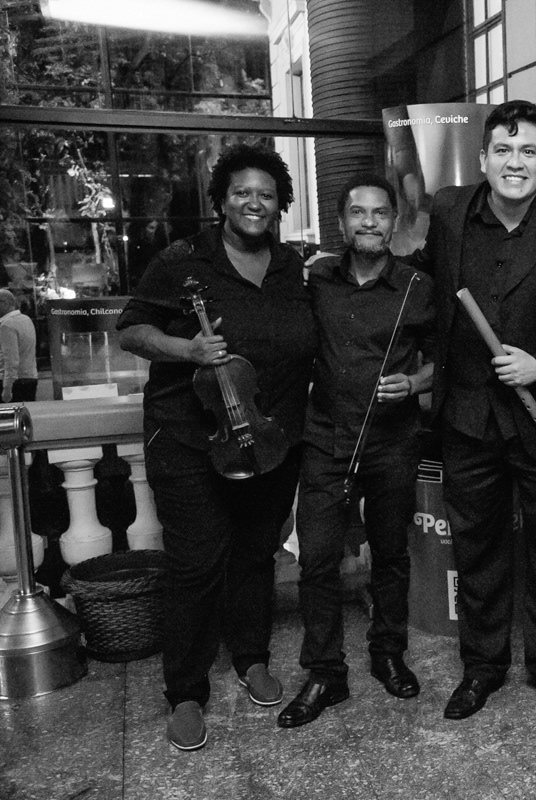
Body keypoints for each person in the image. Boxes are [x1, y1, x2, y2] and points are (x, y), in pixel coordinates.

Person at [117, 144, 317, 751]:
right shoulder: (184, 260)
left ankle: (251, 657)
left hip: (270, 437)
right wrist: (188, 350)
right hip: (190, 439)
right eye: (241, 192)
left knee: (256, 553)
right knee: (196, 563)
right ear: (222, 200)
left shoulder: (292, 266)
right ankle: (185, 691)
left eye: (266, 194)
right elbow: (131, 330)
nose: (254, 202)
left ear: (281, 203)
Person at [408, 100, 536, 722]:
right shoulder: (449, 211)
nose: (516, 162)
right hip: (466, 415)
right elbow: (414, 275)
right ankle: (482, 667)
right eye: (504, 151)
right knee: (477, 549)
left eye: (529, 151)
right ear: (483, 157)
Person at [277, 175, 435, 728]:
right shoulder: (315, 280)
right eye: (358, 213)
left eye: (380, 213)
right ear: (342, 222)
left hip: (394, 442)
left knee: (390, 555)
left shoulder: (419, 286)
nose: (369, 222)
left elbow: (444, 362)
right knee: (318, 560)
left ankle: (388, 652)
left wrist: (413, 384)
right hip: (325, 441)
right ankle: (326, 673)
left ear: (394, 222)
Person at [0, 289, 37, 401]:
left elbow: (11, 359)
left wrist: (7, 388)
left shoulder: (6, 325)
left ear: (4, 303)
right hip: (30, 377)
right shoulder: (26, 320)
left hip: (13, 382)